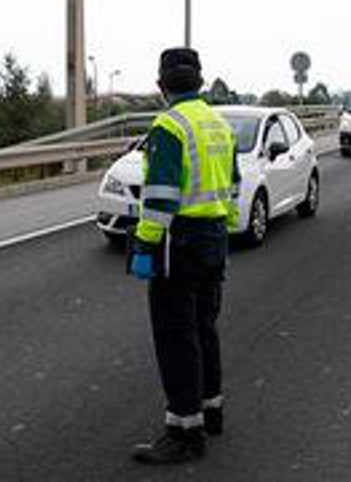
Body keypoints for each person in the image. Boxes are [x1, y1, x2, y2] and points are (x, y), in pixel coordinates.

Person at [129, 48, 240, 465]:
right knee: (204, 327)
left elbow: (159, 198)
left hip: (179, 242)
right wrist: (224, 228)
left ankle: (184, 431)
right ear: (201, 82)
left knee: (176, 336)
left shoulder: (168, 125)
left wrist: (145, 244)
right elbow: (232, 185)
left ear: (161, 87)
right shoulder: (218, 123)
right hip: (213, 237)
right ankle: (211, 409)